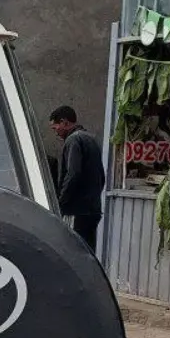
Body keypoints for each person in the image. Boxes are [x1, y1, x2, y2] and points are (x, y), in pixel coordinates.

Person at [48, 106, 105, 251]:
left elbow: (73, 174)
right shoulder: (91, 139)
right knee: (88, 251)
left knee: (74, 250)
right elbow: (101, 176)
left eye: (55, 128)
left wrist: (60, 202)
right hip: (93, 209)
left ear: (64, 122)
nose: (56, 133)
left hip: (77, 210)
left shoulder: (73, 140)